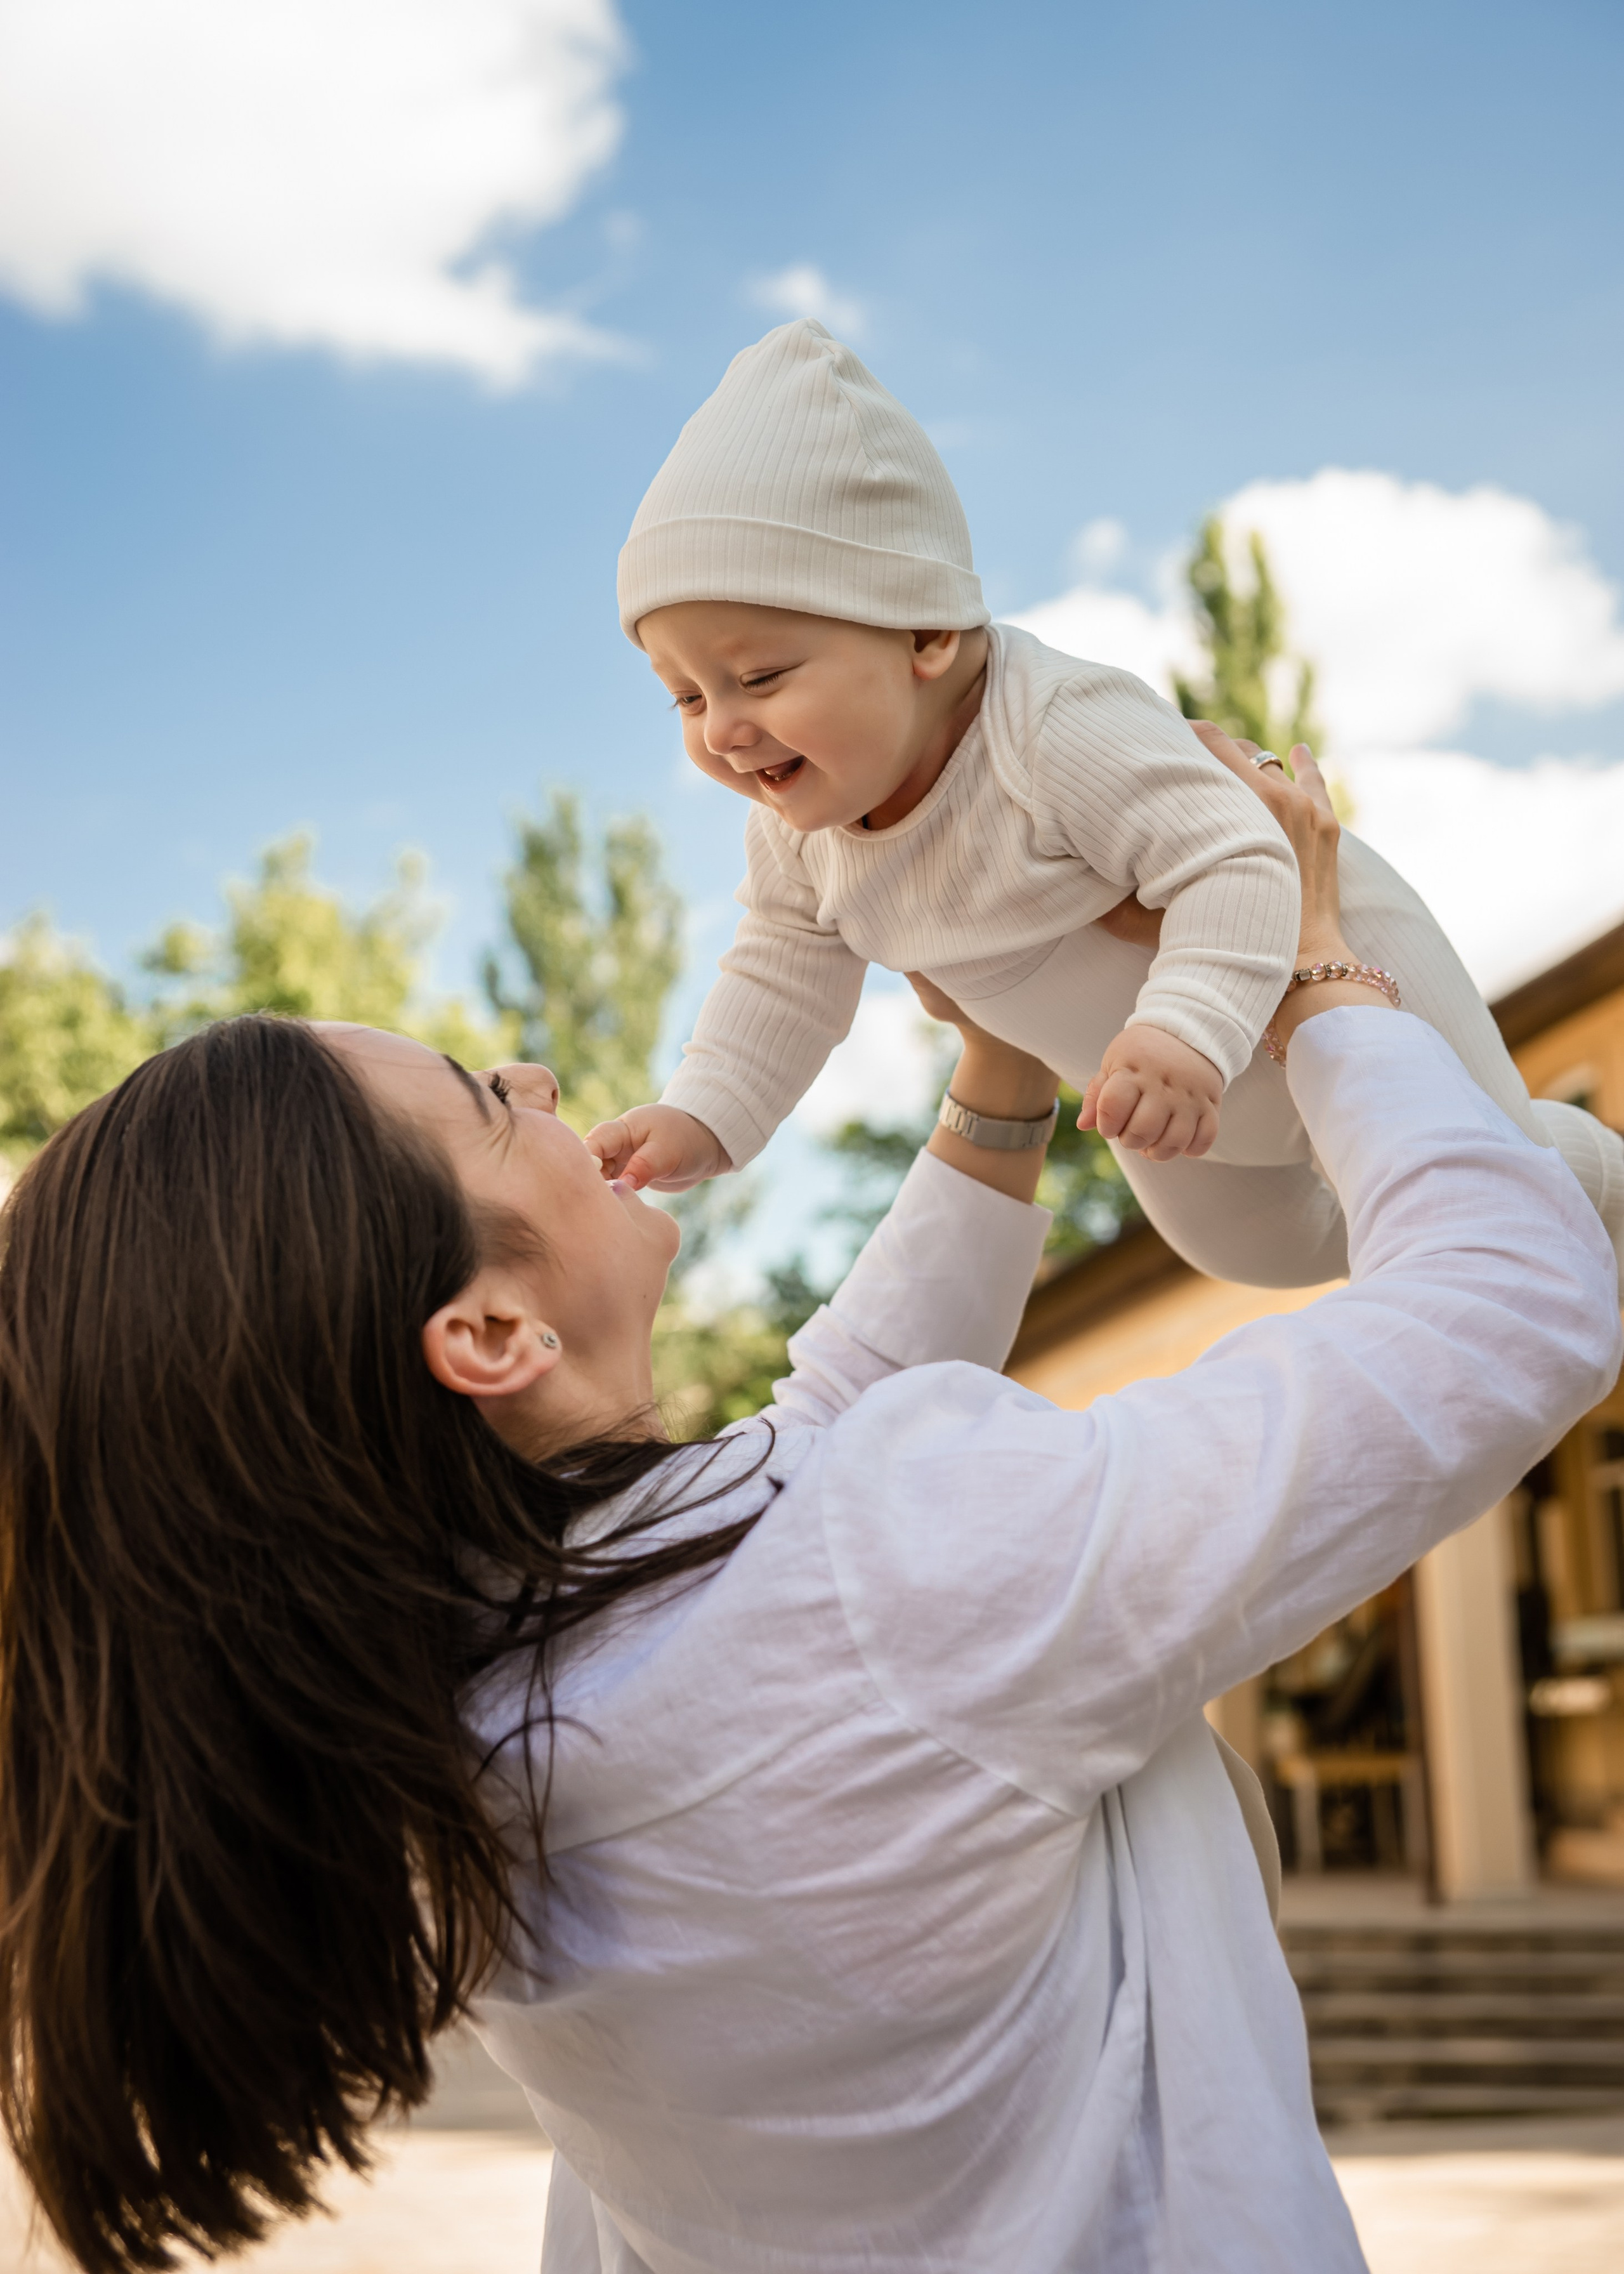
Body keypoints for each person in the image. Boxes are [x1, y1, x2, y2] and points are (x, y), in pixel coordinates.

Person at [0, 742, 1616, 2274]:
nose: (536, 1067)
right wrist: (1323, 971)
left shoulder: (459, 1716)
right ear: (489, 1335)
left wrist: (997, 1066)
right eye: (487, 1101)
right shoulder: (889, 1561)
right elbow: (1510, 1305)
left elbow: (798, 1486)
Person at [587, 318, 1624, 1293]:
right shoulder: (796, 845)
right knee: (1257, 1251)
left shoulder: (1048, 729)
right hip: (1156, 1086)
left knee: (1494, 1174)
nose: (721, 728)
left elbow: (1236, 861)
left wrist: (1185, 1029)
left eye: (760, 678)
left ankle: (1590, 1170)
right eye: (685, 696)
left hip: (1310, 972)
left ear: (923, 636)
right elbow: (776, 984)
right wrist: (703, 1116)